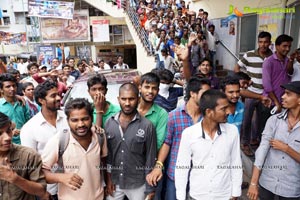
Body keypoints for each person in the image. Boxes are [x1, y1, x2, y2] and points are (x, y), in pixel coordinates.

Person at [146, 77, 211, 200]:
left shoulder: (209, 117)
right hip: (175, 175)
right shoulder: (173, 116)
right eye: (205, 94)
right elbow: (167, 142)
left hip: (201, 176)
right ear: (192, 93)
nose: (208, 98)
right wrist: (159, 165)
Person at [175, 89, 242, 200]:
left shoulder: (232, 131)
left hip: (224, 195)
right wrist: (181, 197)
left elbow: (236, 163)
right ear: (209, 112)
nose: (229, 112)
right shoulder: (189, 134)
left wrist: (235, 193)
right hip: (198, 195)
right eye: (223, 109)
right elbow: (182, 167)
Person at [42, 98, 108, 200]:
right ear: (67, 121)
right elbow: (40, 173)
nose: (81, 124)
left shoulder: (100, 136)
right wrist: (61, 177)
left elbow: (104, 161)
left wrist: (108, 182)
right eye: (75, 120)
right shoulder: (59, 141)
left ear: (91, 118)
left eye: (85, 119)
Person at [247, 81, 300, 200]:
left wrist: (286, 149)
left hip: (292, 187)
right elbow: (262, 151)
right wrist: (253, 183)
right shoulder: (274, 120)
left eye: (288, 94)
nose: (282, 96)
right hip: (267, 182)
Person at [105, 83, 157, 200]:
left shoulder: (147, 126)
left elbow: (150, 158)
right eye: (124, 99)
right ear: (118, 99)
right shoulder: (109, 123)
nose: (127, 103)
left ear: (138, 99)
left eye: (131, 99)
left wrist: (149, 188)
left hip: (138, 183)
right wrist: (108, 179)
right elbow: (108, 156)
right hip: (115, 182)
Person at [20, 80, 68, 199]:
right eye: (53, 96)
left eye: (58, 94)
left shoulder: (69, 118)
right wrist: (41, 192)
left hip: (73, 184)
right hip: (50, 190)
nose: (58, 98)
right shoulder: (29, 128)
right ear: (41, 100)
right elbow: (31, 164)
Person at [234, 31, 274, 156]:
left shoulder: (272, 57)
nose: (263, 45)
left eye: (266, 42)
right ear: (258, 42)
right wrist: (243, 79)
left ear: (270, 43)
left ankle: (254, 140)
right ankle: (244, 143)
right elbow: (237, 67)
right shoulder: (250, 55)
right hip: (250, 93)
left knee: (262, 120)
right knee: (246, 119)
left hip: (266, 94)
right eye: (261, 42)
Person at [0, 112, 49, 200]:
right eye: (0, 134)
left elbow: (41, 190)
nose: (7, 137)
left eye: (8, 131)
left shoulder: (28, 155)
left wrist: (15, 179)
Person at [138, 72, 168, 199]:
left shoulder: (161, 114)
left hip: (152, 167)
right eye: (147, 87)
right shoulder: (129, 109)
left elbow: (160, 143)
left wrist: (158, 166)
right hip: (129, 168)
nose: (150, 91)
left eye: (154, 88)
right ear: (140, 87)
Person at [262, 34, 294, 114]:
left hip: (284, 102)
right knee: (266, 125)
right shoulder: (269, 62)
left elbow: (290, 72)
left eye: (289, 46)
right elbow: (267, 86)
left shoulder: (287, 60)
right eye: (285, 46)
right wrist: (276, 102)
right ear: (277, 46)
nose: (287, 49)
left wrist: (291, 61)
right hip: (270, 102)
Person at [0, 73, 31, 144]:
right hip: (7, 143)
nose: (12, 89)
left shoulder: (22, 102)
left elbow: (28, 121)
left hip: (24, 141)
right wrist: (10, 131)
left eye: (14, 86)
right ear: (1, 90)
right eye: (8, 87)